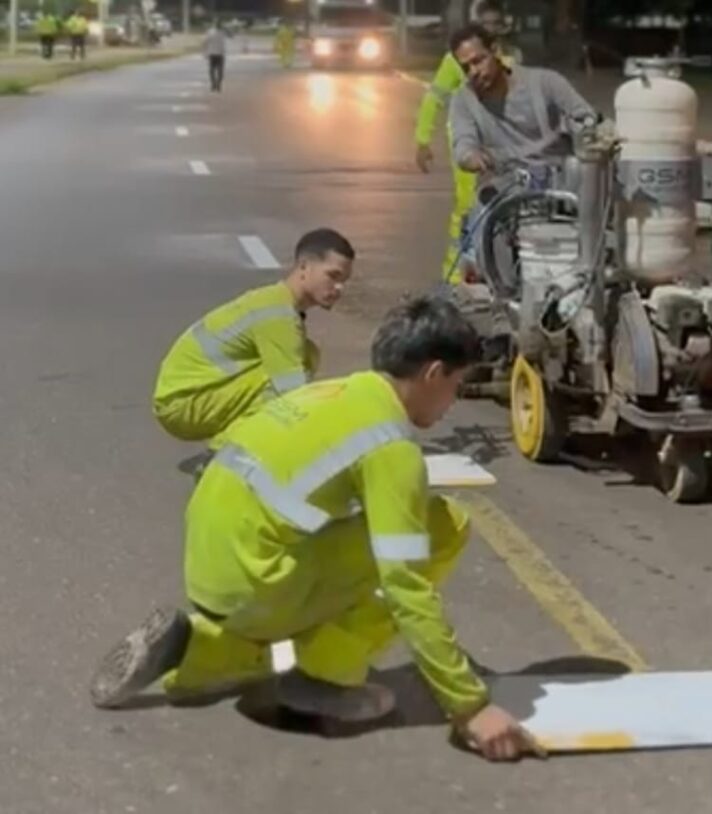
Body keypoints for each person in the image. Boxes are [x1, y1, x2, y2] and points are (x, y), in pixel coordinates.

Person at [89, 296, 546, 763]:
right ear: (432, 374)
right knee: (443, 524)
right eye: (456, 384)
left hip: (211, 562)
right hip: (254, 582)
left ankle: (199, 649)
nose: (452, 403)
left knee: (333, 537)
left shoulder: (331, 394)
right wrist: (470, 706)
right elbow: (405, 586)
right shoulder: (391, 448)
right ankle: (324, 675)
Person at [151, 228, 354, 448]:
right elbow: (294, 394)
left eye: (344, 280)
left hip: (185, 398)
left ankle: (235, 446)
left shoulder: (276, 302)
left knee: (306, 355)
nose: (339, 287)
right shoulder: (278, 314)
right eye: (332, 276)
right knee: (283, 384)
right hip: (182, 403)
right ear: (304, 267)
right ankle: (229, 453)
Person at [446, 23, 595, 280]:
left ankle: (592, 276)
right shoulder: (463, 100)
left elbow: (585, 119)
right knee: (481, 225)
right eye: (466, 67)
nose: (474, 71)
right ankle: (500, 290)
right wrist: (472, 157)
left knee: (599, 210)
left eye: (478, 61)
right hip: (506, 183)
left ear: (496, 50)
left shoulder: (545, 83)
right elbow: (463, 143)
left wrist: (586, 131)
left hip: (559, 180)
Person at [413, 1, 522, 284]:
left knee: (510, 202)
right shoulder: (456, 60)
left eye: (496, 24)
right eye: (486, 24)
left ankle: (497, 266)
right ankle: (457, 274)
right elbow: (434, 98)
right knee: (467, 205)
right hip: (469, 142)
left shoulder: (512, 56)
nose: (492, 29)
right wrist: (423, 140)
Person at [203, 20, 227, 92]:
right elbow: (205, 42)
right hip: (218, 54)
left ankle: (215, 84)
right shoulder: (221, 32)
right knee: (218, 71)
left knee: (214, 71)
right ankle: (216, 84)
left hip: (214, 53)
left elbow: (205, 42)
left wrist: (205, 52)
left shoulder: (211, 32)